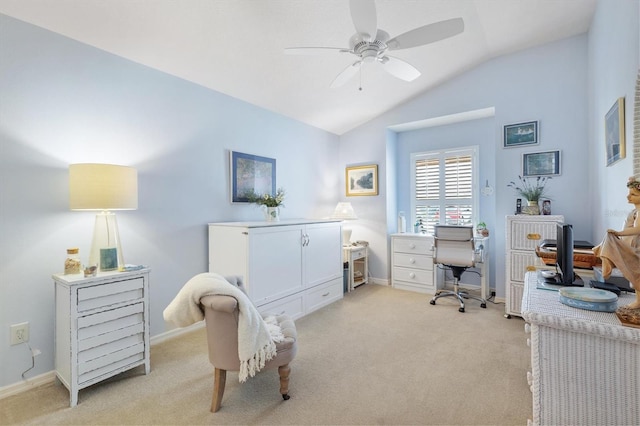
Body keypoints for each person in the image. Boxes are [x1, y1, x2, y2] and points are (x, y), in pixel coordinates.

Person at [593, 176, 640, 310]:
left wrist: (619, 233)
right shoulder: (635, 211)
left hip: (635, 246)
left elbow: (637, 229)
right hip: (630, 243)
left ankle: (606, 259)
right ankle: (605, 257)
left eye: (633, 195)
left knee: (636, 273)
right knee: (635, 274)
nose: (628, 197)